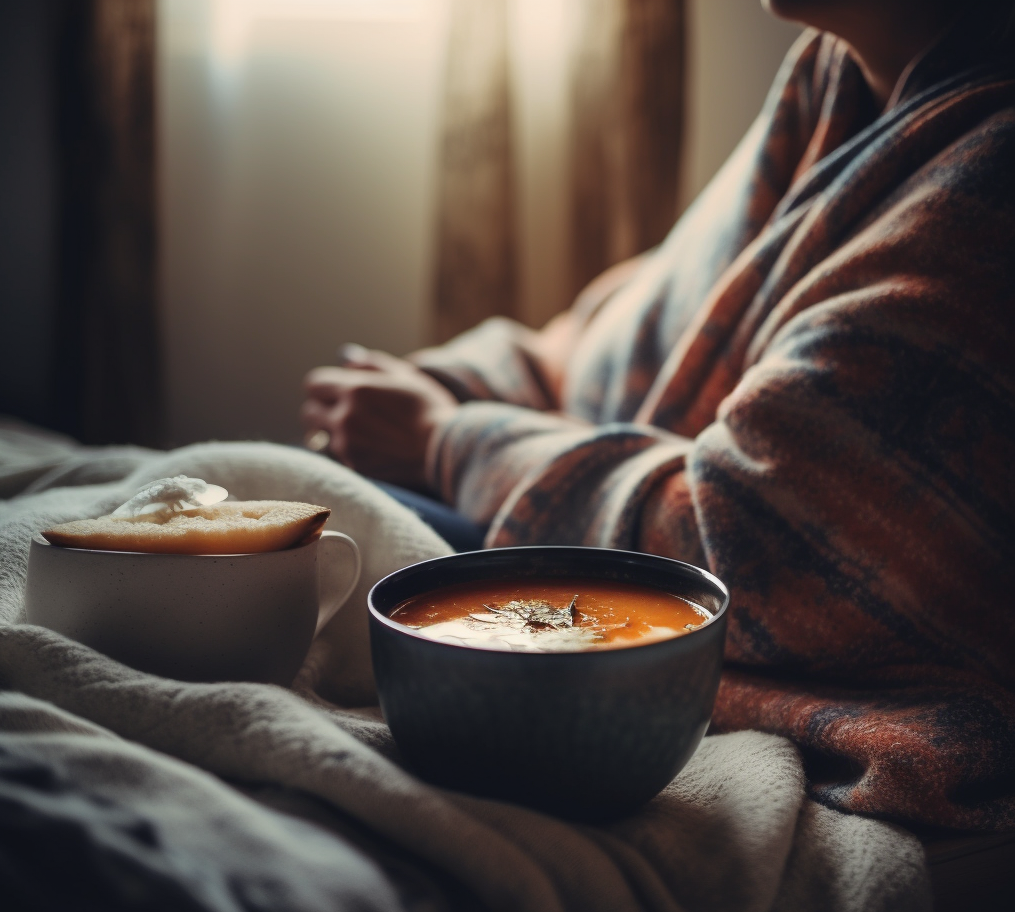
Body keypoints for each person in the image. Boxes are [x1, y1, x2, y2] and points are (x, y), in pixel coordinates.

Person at [301, 0, 1015, 831]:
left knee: (306, 534)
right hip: (589, 521)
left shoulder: (991, 173)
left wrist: (443, 439)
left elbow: (753, 548)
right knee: (257, 505)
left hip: (716, 608)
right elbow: (632, 330)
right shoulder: (839, 82)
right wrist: (453, 385)